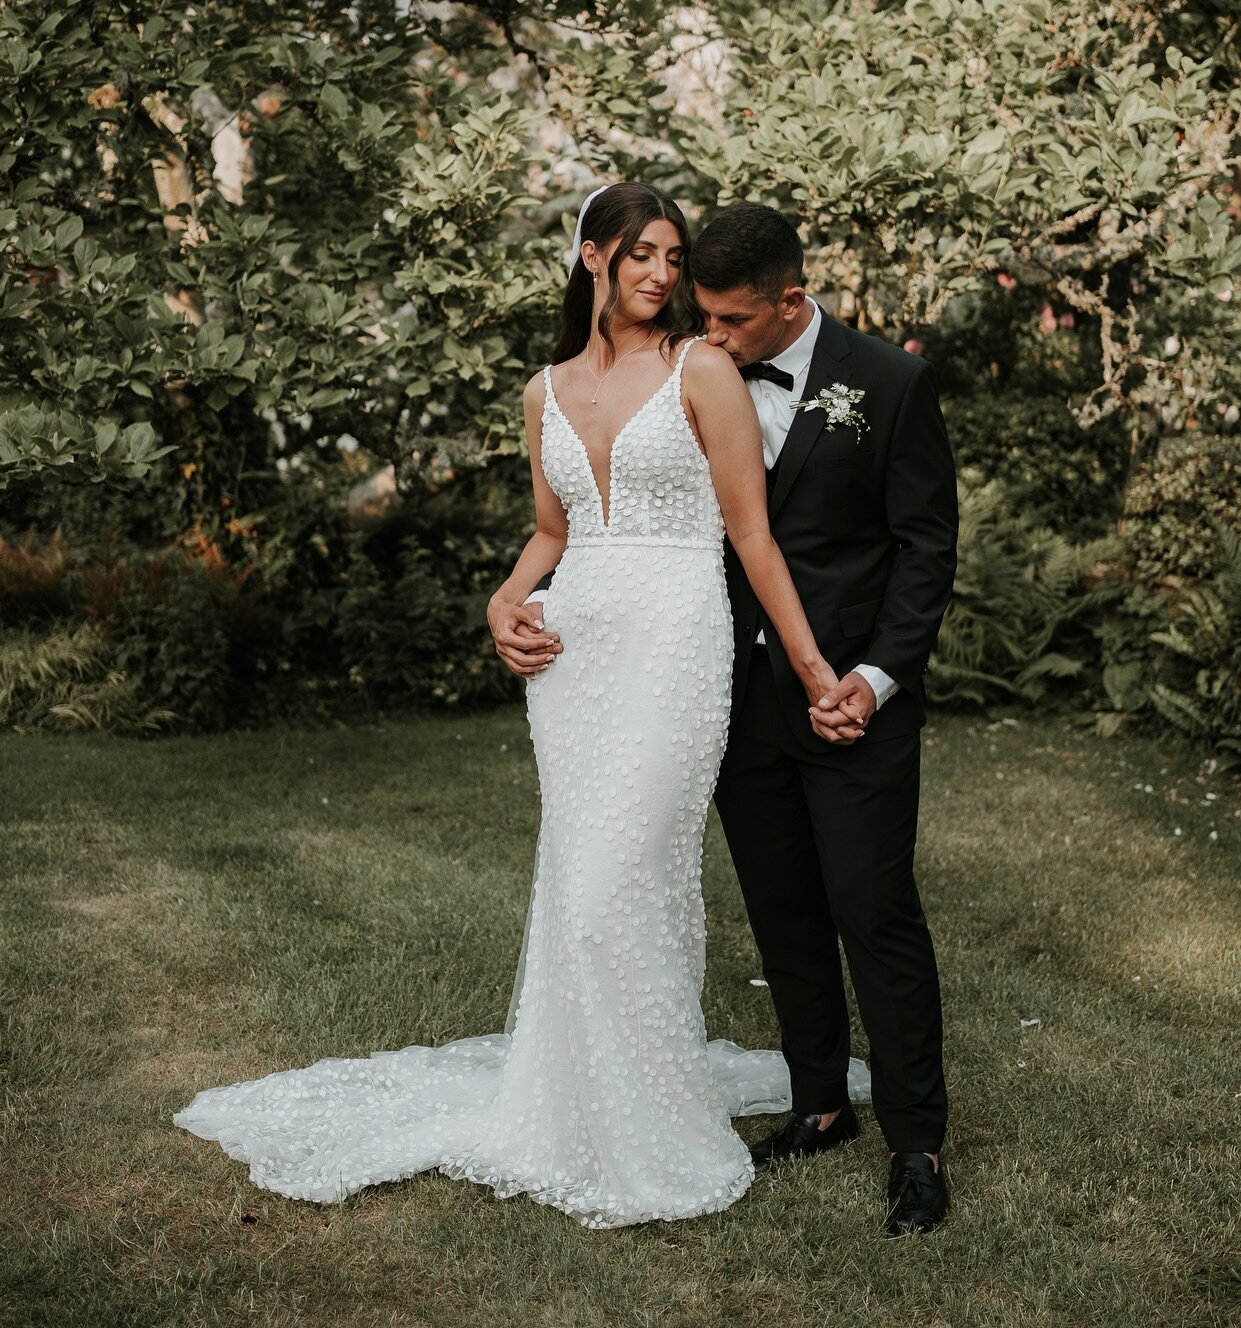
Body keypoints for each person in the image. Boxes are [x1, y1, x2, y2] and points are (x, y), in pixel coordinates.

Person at [174, 183, 859, 1230]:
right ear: (592, 257)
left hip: (676, 644)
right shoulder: (542, 391)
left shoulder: (704, 368)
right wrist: (504, 600)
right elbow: (554, 531)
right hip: (573, 656)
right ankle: (577, 1109)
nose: (662, 276)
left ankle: (649, 1122)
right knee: (584, 880)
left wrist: (814, 671)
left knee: (618, 878)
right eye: (642, 255)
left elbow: (751, 535)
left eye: (674, 259)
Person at [689, 203, 958, 1237]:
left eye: (729, 321)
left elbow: (924, 547)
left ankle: (917, 1143)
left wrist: (876, 679)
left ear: (790, 300)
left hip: (854, 706)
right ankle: (819, 1104)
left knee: (872, 912)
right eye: (699, 316)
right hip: (739, 702)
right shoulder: (695, 372)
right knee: (784, 911)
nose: (709, 337)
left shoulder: (889, 383)